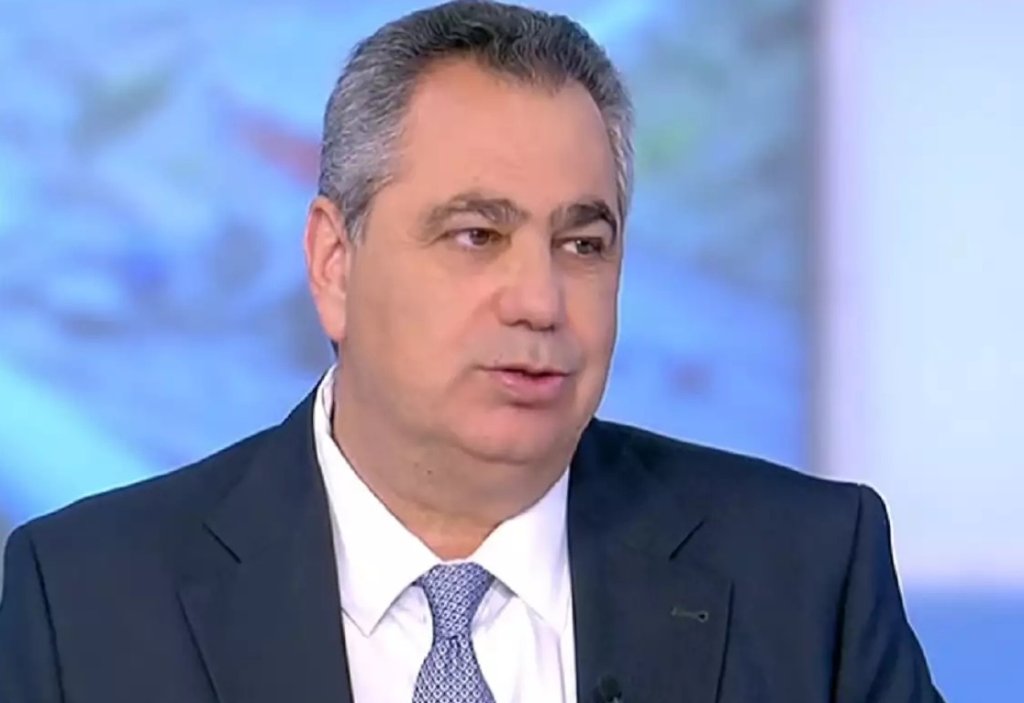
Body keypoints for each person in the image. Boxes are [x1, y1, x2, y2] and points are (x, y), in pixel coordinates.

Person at [0, 2, 944, 701]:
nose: (539, 300)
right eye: (476, 235)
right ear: (334, 262)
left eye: (583, 243)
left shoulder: (808, 578)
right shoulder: (87, 599)